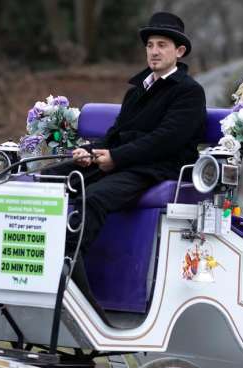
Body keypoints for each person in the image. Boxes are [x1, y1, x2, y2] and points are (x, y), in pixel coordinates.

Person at [54, 12, 207, 303]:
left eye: (162, 45)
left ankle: (69, 272)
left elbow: (165, 140)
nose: (154, 51)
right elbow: (115, 133)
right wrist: (88, 153)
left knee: (95, 198)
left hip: (156, 169)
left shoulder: (189, 93)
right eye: (150, 45)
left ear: (179, 51)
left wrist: (115, 157)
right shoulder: (137, 91)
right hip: (122, 160)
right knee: (48, 179)